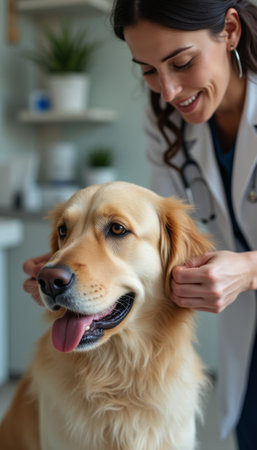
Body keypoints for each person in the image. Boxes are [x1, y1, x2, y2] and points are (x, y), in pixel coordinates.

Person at [23, 0, 257, 448]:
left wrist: (249, 269)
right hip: (241, 329)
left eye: (182, 62)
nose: (167, 91)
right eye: (148, 70)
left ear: (229, 30)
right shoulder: (167, 117)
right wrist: (66, 268)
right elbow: (154, 234)